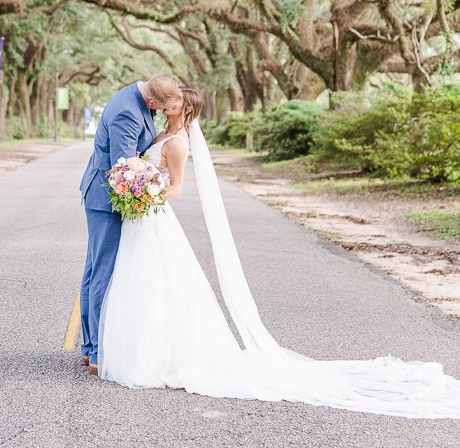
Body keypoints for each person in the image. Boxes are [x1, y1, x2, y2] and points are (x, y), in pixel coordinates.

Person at [97, 87, 460, 419]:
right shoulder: (162, 133)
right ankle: (144, 350)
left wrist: (145, 194)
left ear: (186, 108)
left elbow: (176, 188)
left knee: (157, 283)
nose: (166, 102)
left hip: (153, 214)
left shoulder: (177, 142)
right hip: (143, 218)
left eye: (174, 100)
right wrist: (138, 186)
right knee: (144, 284)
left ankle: (159, 355)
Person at [79, 75, 183, 374]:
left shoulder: (139, 96)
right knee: (102, 273)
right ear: (152, 101)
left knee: (95, 270)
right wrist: (149, 186)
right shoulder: (128, 110)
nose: (162, 112)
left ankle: (89, 347)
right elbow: (123, 167)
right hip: (105, 200)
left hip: (105, 196)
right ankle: (97, 350)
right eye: (160, 107)